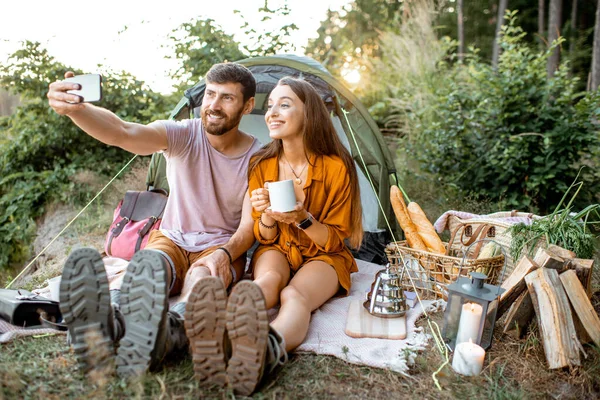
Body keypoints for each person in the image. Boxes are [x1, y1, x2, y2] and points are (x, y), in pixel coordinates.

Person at [47, 63, 261, 379]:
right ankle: (107, 322)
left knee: (202, 285)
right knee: (147, 268)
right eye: (210, 94)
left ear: (248, 106)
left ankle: (164, 336)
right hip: (171, 239)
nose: (213, 105)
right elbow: (123, 132)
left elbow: (248, 227)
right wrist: (77, 110)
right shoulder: (183, 133)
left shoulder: (259, 156)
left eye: (227, 98)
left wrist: (225, 254)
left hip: (219, 249)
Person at [192, 76, 363, 396]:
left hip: (323, 252)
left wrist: (302, 218)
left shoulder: (337, 167)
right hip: (278, 245)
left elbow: (337, 240)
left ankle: (265, 350)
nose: (272, 112)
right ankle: (222, 338)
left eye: (284, 105)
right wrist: (267, 215)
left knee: (294, 296)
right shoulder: (263, 163)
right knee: (267, 281)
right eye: (270, 106)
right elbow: (264, 234)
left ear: (309, 113)